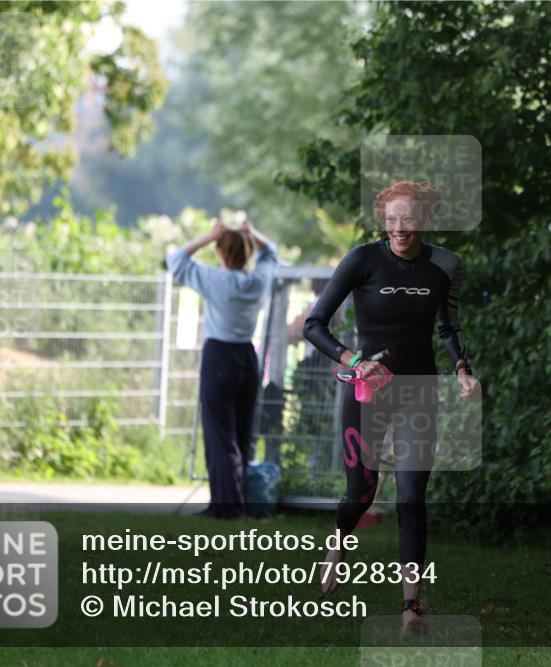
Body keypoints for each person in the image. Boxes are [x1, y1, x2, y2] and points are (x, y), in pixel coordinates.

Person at [303, 180, 479, 635]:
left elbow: (449, 325)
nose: (400, 228)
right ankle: (339, 545)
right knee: (361, 494)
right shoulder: (363, 260)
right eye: (392, 219)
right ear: (384, 220)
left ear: (422, 220)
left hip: (418, 392)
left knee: (410, 497)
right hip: (367, 394)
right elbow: (314, 325)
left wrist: (461, 367)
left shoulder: (445, 265)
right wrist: (354, 361)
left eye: (409, 219)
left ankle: (409, 607)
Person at [166, 218, 277, 519]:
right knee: (241, 434)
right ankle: (237, 503)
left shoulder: (214, 279)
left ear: (221, 252)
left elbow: (175, 260)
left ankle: (225, 508)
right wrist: (252, 232)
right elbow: (272, 254)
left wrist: (208, 235)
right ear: (249, 251)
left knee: (219, 436)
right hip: (247, 357)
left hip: (219, 356)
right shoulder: (258, 281)